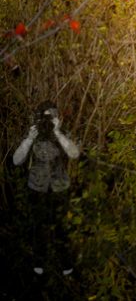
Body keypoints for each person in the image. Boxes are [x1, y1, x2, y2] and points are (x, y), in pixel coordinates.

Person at [12, 101, 81, 278]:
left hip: (59, 188)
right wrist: (29, 138)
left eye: (51, 117)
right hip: (37, 187)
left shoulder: (61, 134)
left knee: (61, 228)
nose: (47, 122)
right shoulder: (33, 134)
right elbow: (16, 160)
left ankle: (66, 264)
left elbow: (74, 154)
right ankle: (39, 262)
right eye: (44, 117)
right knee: (38, 228)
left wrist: (58, 132)